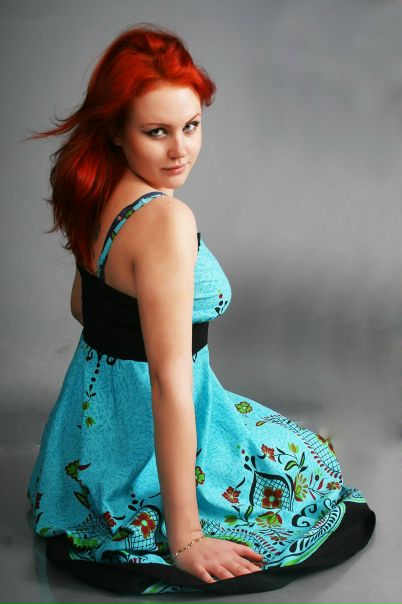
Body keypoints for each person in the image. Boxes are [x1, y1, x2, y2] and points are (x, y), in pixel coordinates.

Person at [25, 23, 376, 595]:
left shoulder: (94, 189)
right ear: (115, 130)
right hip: (154, 423)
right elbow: (169, 382)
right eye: (157, 131)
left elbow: (82, 308)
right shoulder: (164, 221)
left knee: (297, 445)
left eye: (191, 126)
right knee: (310, 470)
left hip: (86, 433)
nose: (180, 150)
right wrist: (186, 538)